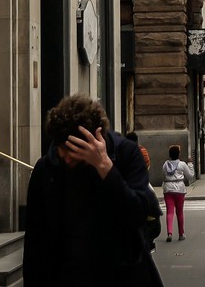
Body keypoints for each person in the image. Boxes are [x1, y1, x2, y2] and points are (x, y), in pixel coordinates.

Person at [23, 94, 163, 286]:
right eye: (62, 149)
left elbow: (138, 213)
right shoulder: (47, 169)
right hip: (66, 276)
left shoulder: (125, 155)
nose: (67, 158)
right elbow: (35, 241)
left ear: (93, 140)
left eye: (75, 151)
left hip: (120, 274)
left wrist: (106, 168)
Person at [161, 144, 196, 243]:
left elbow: (163, 176)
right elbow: (190, 176)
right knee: (179, 212)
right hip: (180, 189)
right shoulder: (182, 164)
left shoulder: (165, 164)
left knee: (169, 212)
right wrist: (190, 165)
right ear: (178, 154)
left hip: (168, 189)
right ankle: (181, 234)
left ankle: (169, 233)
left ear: (170, 154)